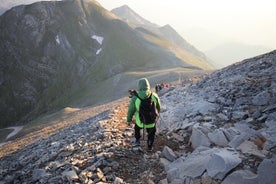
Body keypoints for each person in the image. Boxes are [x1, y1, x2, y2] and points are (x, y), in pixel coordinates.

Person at [127, 78, 161, 151]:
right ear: (148, 85)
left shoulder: (135, 98)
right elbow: (158, 107)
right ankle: (149, 146)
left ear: (139, 86)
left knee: (137, 128)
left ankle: (137, 141)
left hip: (140, 121)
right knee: (151, 132)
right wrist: (156, 115)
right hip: (152, 121)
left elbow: (131, 110)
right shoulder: (154, 95)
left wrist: (129, 120)